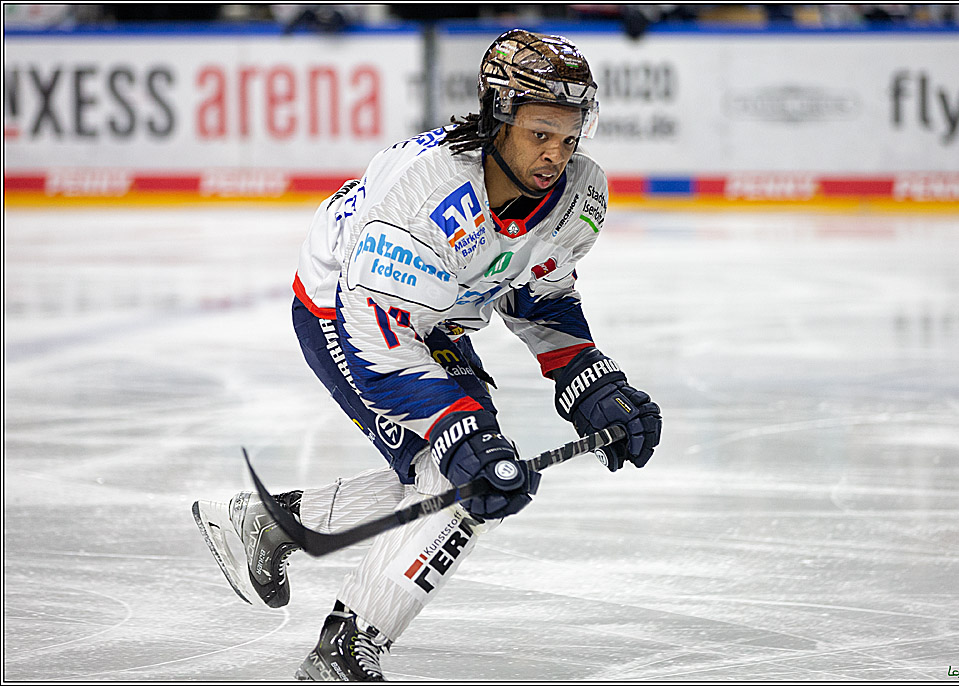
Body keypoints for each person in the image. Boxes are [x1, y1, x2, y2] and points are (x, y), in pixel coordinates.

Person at [193, 28, 662, 681]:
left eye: (569, 135)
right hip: (344, 306)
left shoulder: (579, 193)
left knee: (470, 471)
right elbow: (374, 340)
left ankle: (273, 525)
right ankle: (346, 646)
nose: (557, 154)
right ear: (500, 116)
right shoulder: (425, 199)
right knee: (463, 470)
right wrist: (459, 429)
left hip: (425, 312)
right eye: (539, 134)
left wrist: (592, 384)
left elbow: (540, 292)